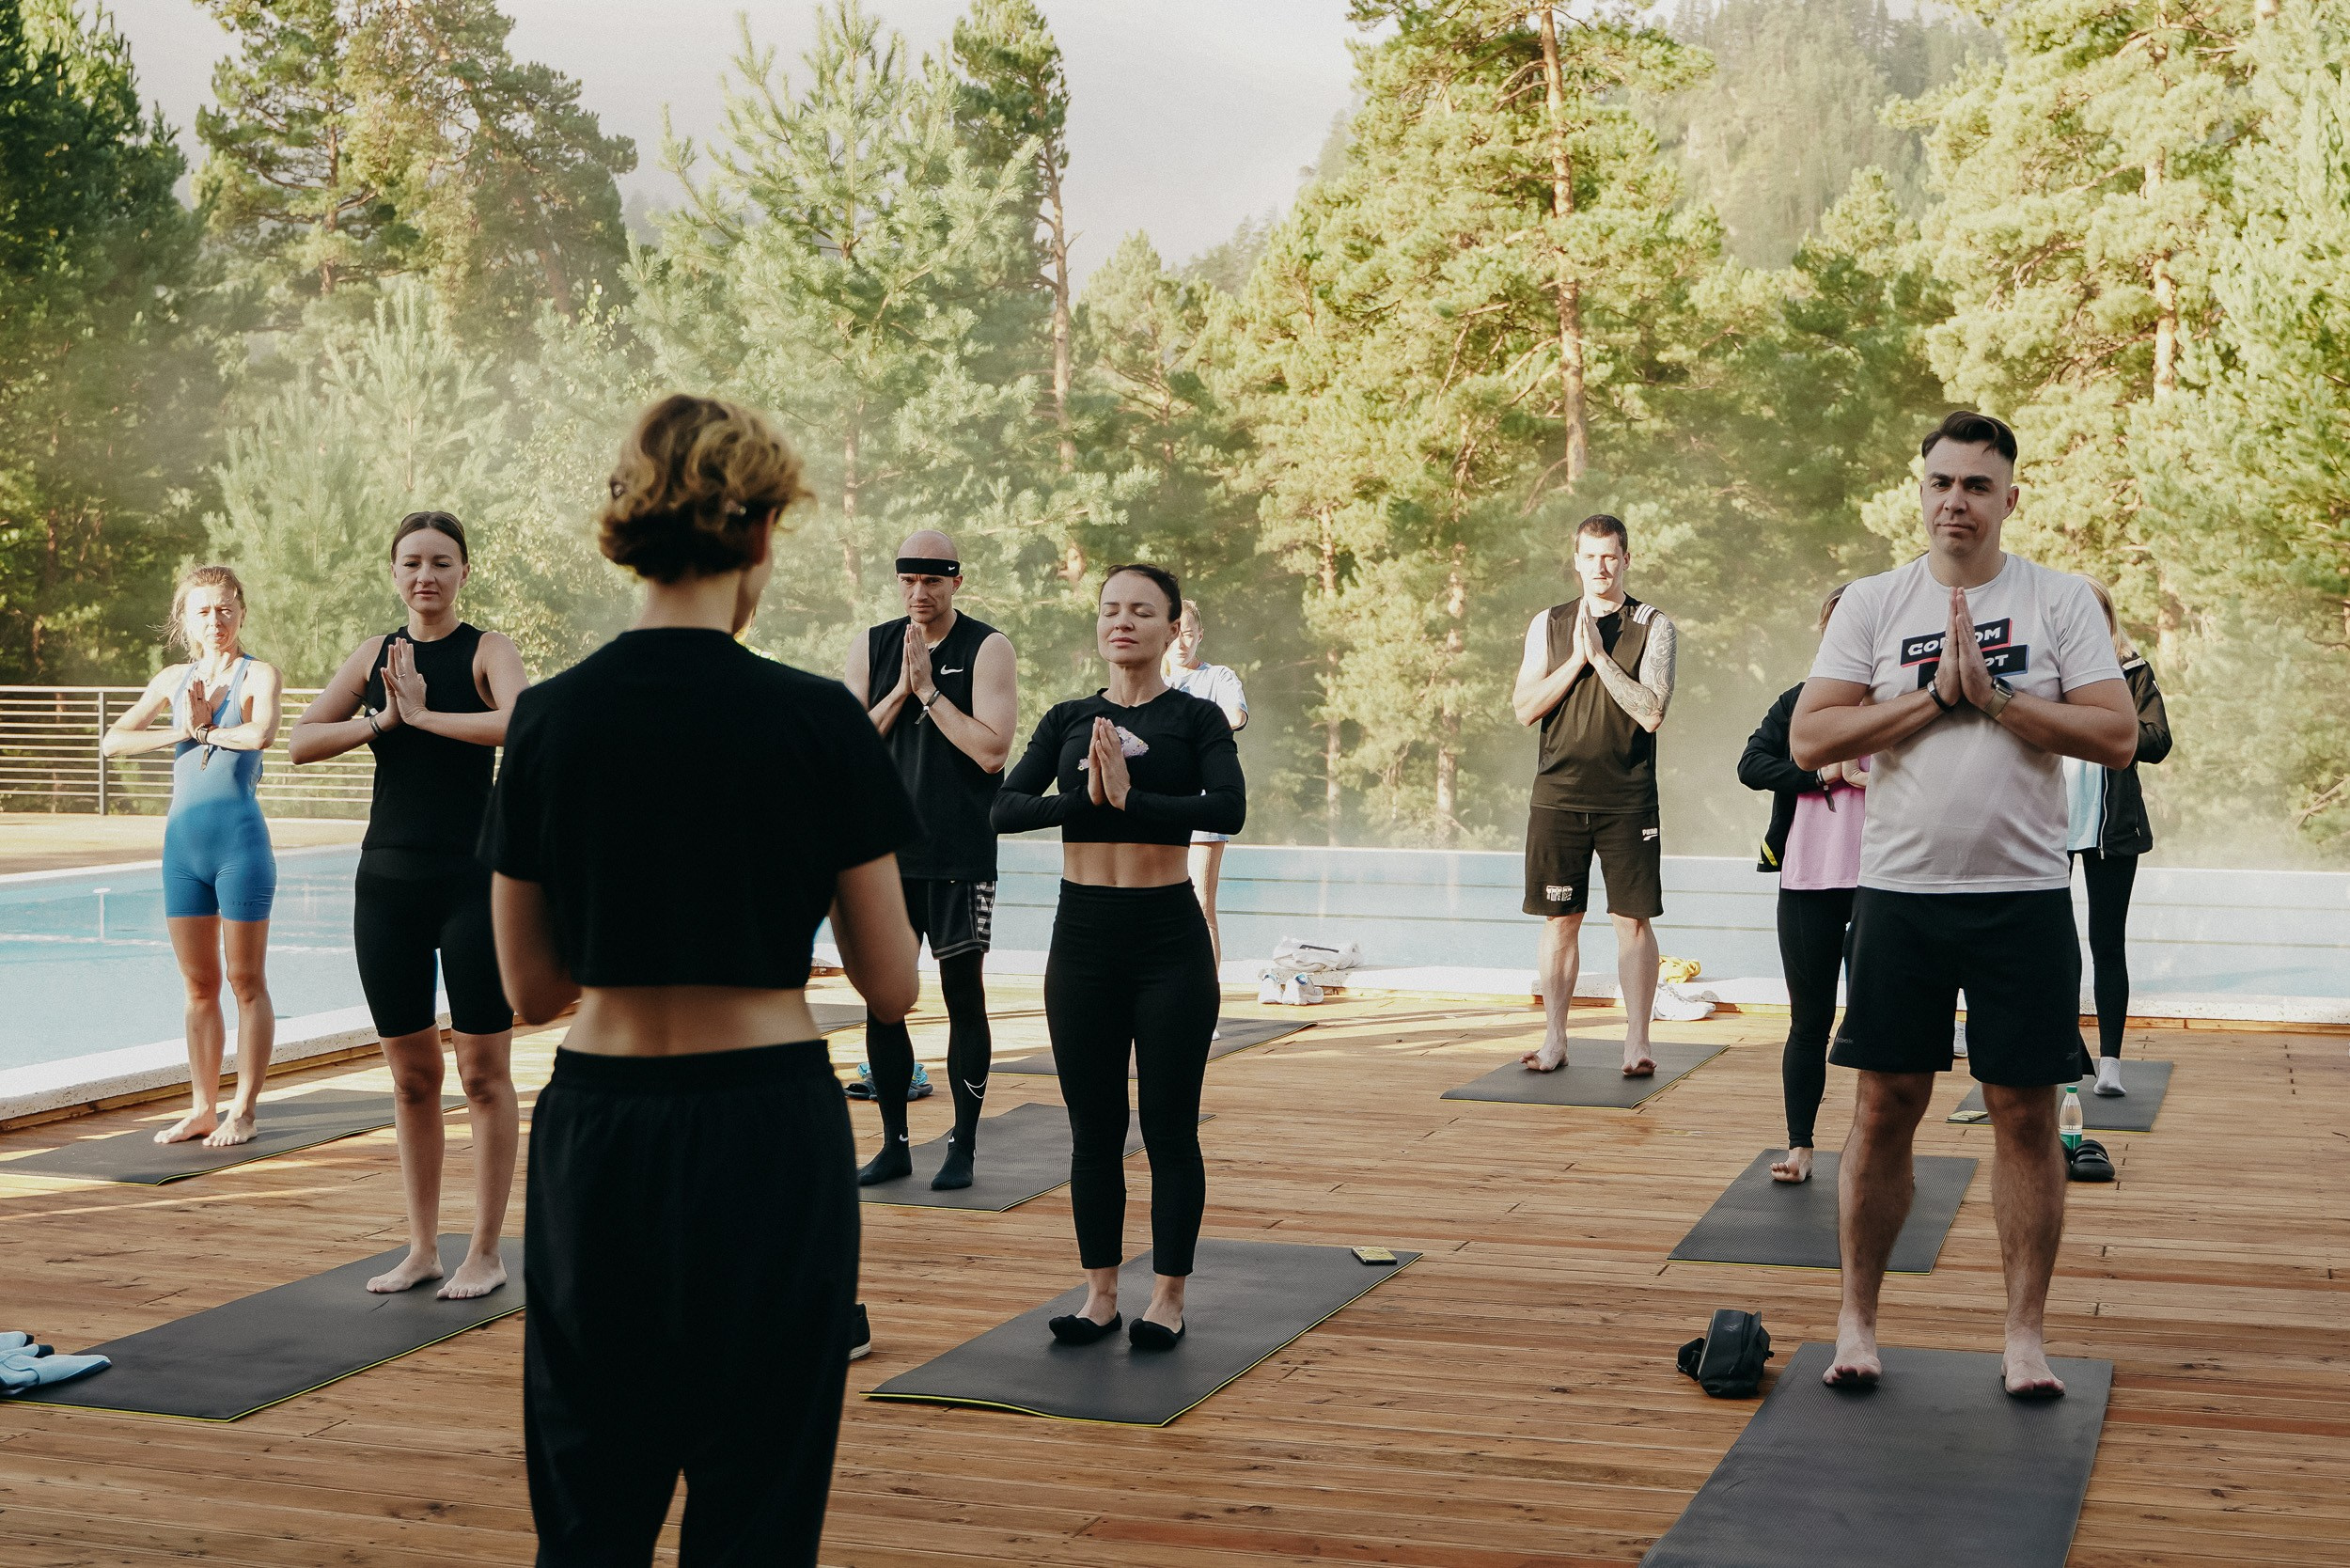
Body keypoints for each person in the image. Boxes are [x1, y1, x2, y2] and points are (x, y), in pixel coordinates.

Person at [483, 394, 920, 1565]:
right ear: (762, 530)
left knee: (592, 1507)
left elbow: (529, 990)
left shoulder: (549, 722)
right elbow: (891, 984)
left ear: (627, 528)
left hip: (601, 1131)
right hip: (768, 1131)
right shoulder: (819, 721)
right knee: (756, 1512)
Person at [1790, 410, 2138, 1397]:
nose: (1957, 502)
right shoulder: (1871, 602)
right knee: (1883, 1105)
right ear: (1922, 492)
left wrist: (1997, 700)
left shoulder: (2058, 600)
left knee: (2024, 1114)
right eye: (1942, 482)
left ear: (2009, 499)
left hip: (2022, 898)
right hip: (1901, 895)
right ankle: (1856, 1323)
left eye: (1977, 486)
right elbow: (1812, 738)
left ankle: (2024, 1340)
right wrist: (1937, 699)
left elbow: (2116, 736)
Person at [992, 564, 1245, 1350]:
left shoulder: (1196, 718)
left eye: (1141, 610)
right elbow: (1001, 807)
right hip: (1083, 938)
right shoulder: (1069, 717)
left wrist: (1133, 798)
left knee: (1169, 1127)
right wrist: (1085, 800)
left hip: (1167, 938)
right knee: (1093, 1128)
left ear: (1171, 628)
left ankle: (1167, 1297)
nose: (1122, 622)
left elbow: (1228, 808)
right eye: (1110, 610)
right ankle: (1099, 1295)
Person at [289, 512, 530, 1299]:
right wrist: (384, 719)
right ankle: (422, 1248)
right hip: (387, 885)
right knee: (410, 1078)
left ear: (464, 572)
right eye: (412, 562)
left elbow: (526, 726)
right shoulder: (375, 656)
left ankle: (485, 1252)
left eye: (441, 562)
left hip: (473, 883)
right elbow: (299, 741)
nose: (426, 575)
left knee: (482, 1073)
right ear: (394, 573)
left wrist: (427, 718)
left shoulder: (488, 651)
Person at [842, 529, 1018, 1191]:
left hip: (957, 852)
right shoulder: (872, 645)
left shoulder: (987, 648)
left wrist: (932, 693)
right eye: (909, 580)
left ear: (955, 582)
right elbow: (846, 748)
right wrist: (901, 690)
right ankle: (894, 1144)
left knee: (962, 996)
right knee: (882, 1001)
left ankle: (962, 1146)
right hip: (883, 857)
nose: (920, 592)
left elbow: (992, 752)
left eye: (933, 580)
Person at [102, 567, 284, 1148]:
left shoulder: (259, 674)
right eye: (203, 611)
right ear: (184, 619)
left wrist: (208, 733)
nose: (215, 620)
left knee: (245, 980)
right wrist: (181, 730)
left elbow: (260, 734)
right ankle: (203, 1107)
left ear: (241, 612)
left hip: (240, 847)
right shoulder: (171, 680)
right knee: (199, 985)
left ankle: (243, 1111)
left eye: (225, 608)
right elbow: (113, 741)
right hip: (182, 851)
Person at [1510, 514, 1678, 1076]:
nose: (1600, 567)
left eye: (1610, 556)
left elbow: (1651, 713)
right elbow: (1524, 708)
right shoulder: (1550, 623)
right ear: (1576, 560)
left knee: (1633, 921)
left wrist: (1602, 661)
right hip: (1558, 794)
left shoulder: (1653, 625)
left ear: (1626, 559)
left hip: (1628, 797)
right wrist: (1577, 660)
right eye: (1590, 556)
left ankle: (1637, 1043)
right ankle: (1555, 1039)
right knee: (1561, 920)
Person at [1737, 583, 1867, 1184]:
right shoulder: (1798, 702)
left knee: (1879, 1027)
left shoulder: (1899, 703)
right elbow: (1751, 765)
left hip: (1883, 884)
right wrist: (1820, 776)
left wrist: (1868, 778)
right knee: (1808, 1020)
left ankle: (1877, 1152)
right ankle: (1801, 1147)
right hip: (1808, 880)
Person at [2068, 575, 2171, 1095]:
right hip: (2046, 826)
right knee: (2049, 942)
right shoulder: (2044, 670)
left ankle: (2110, 1061)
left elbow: (2158, 740)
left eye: (2092, 610)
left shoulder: (2131, 670)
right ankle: (2068, 1048)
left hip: (2113, 826)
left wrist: (2108, 720)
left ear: (2106, 615)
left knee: (2107, 942)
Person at [1166, 598, 1248, 964]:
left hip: (1201, 806)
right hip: (1151, 804)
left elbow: (1236, 715)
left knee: (1200, 906)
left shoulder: (1218, 677)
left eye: (1188, 633)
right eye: (1174, 634)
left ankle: (1206, 993)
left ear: (1200, 634)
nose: (1181, 643)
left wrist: (1192, 728)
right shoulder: (1149, 677)